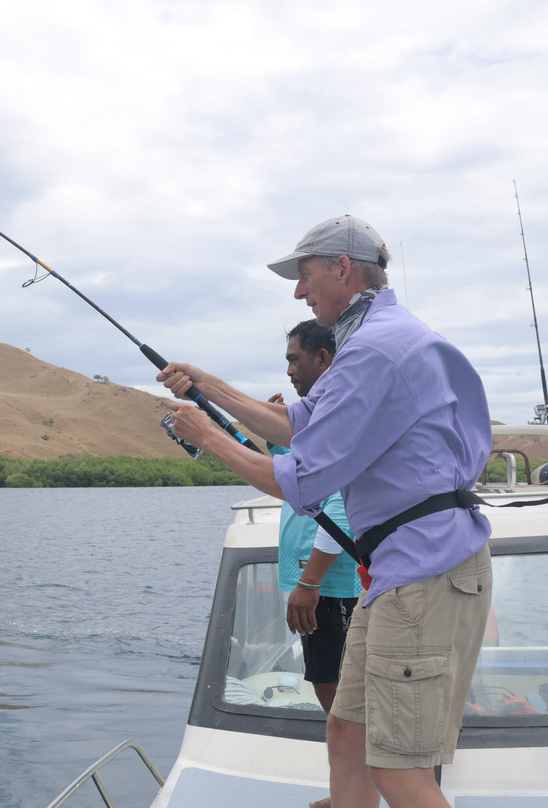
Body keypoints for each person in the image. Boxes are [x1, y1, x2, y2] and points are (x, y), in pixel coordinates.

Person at [157, 215, 493, 808]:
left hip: (423, 573)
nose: (298, 291)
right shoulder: (374, 341)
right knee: (347, 731)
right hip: (398, 576)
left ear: (342, 269)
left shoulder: (375, 350)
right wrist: (208, 386)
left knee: (399, 771)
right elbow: (299, 423)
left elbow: (301, 478)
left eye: (305, 274)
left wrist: (207, 436)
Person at [268, 319, 361, 715]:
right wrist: (275, 441)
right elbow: (299, 478)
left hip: (329, 588)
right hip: (316, 586)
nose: (289, 371)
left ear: (323, 359)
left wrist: (309, 583)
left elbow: (340, 510)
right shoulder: (318, 422)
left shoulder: (337, 422)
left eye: (295, 360)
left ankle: (358, 752)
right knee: (326, 681)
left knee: (334, 689)